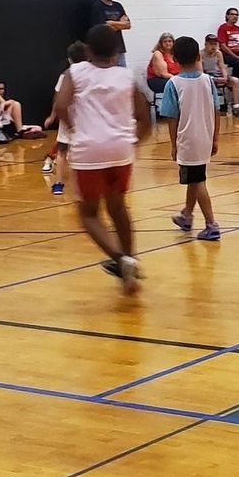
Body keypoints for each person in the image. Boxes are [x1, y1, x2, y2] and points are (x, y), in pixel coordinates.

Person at [54, 25, 152, 295]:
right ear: (116, 51)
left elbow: (61, 106)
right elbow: (145, 117)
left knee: (88, 214)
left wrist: (76, 131)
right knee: (118, 207)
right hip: (121, 149)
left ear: (87, 49)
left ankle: (122, 262)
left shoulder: (74, 72)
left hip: (89, 149)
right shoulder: (126, 75)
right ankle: (131, 260)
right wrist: (133, 142)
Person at [160, 36, 222, 241]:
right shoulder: (208, 81)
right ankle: (186, 215)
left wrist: (174, 144)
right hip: (205, 137)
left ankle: (211, 224)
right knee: (194, 178)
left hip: (188, 140)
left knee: (197, 181)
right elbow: (216, 110)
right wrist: (215, 138)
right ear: (198, 56)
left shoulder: (173, 84)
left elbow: (171, 118)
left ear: (175, 59)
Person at [42, 41, 89, 195]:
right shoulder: (92, 73)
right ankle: (84, 185)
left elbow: (58, 99)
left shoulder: (66, 74)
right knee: (84, 152)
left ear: (70, 59)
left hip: (68, 117)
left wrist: (52, 115)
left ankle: (58, 184)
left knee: (62, 151)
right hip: (86, 117)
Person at [202, 34, 239, 116]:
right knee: (205, 83)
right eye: (211, 44)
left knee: (235, 81)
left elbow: (222, 67)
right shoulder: (201, 54)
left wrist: (225, 77)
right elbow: (201, 72)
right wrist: (214, 79)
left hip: (219, 74)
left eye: (215, 44)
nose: (213, 46)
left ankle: (236, 106)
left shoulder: (218, 53)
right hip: (208, 76)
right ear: (206, 44)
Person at [90, 0, 131, 67]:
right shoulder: (98, 6)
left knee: (122, 73)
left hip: (119, 47)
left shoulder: (118, 5)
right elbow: (104, 27)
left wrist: (111, 22)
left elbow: (128, 25)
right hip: (107, 49)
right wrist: (120, 24)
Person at [217, 7, 239, 86]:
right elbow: (223, 46)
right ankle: (235, 85)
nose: (235, 16)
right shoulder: (223, 28)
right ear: (227, 16)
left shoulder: (238, 29)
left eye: (237, 15)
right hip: (228, 55)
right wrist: (236, 57)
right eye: (233, 14)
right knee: (237, 63)